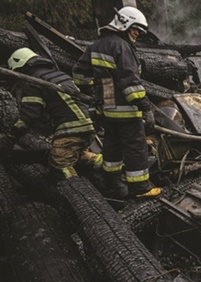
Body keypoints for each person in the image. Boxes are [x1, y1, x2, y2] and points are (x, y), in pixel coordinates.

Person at [72, 6, 161, 199]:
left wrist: (98, 88)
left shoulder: (97, 45)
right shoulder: (122, 46)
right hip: (127, 112)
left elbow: (79, 75)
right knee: (136, 147)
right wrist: (146, 108)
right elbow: (130, 84)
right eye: (135, 29)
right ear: (124, 24)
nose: (137, 34)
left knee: (112, 145)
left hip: (107, 110)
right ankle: (141, 188)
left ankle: (111, 182)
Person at [0, 47, 101, 180]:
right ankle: (109, 166)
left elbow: (30, 116)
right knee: (76, 155)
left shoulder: (32, 81)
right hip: (89, 124)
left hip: (72, 128)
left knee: (59, 165)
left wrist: (10, 138)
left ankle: (75, 189)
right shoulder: (60, 75)